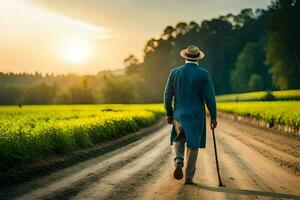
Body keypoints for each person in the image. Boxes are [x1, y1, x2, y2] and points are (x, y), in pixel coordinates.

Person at [164, 45, 217, 184]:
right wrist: (213, 116)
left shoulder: (174, 72)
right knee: (193, 144)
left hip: (179, 115)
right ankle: (188, 177)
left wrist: (169, 114)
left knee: (178, 138)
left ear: (185, 57)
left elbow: (167, 95)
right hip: (196, 116)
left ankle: (178, 161)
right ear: (198, 58)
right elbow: (210, 98)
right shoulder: (204, 74)